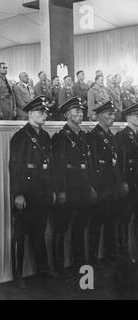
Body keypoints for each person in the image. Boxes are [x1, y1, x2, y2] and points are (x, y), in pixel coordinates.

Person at [9, 96, 55, 288]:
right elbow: (15, 167)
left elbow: (49, 167)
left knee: (40, 231)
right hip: (26, 194)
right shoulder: (20, 136)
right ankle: (18, 274)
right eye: (40, 112)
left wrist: (51, 191)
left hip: (42, 193)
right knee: (20, 234)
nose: (44, 115)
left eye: (45, 112)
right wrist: (18, 193)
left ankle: (42, 268)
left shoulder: (45, 136)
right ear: (29, 114)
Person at [51, 97, 97, 274]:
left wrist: (91, 186)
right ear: (67, 114)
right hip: (68, 189)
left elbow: (89, 163)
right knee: (61, 228)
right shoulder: (61, 137)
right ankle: (59, 266)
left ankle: (79, 263)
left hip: (83, 189)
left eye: (81, 111)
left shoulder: (84, 136)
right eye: (76, 111)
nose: (80, 114)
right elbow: (58, 167)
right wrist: (61, 190)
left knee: (80, 227)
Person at [88, 100, 124, 266]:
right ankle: (93, 258)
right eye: (109, 114)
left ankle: (110, 254)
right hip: (101, 186)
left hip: (113, 186)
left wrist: (120, 182)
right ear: (99, 116)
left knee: (112, 220)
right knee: (97, 223)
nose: (112, 117)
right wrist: (93, 187)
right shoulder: (93, 136)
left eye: (112, 113)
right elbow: (93, 164)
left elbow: (115, 162)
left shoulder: (111, 136)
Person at [115, 103, 138, 260]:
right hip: (129, 183)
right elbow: (119, 163)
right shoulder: (122, 136)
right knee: (125, 217)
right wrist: (122, 182)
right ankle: (123, 252)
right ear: (128, 117)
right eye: (136, 115)